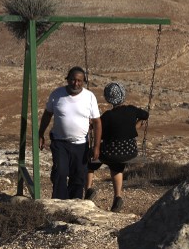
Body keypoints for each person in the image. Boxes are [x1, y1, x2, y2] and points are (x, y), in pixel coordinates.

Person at [39, 66, 101, 200]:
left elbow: (97, 122)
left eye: (79, 81)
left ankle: (74, 204)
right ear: (67, 79)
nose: (76, 83)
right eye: (73, 80)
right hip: (60, 142)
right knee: (60, 172)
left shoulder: (89, 97)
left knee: (78, 176)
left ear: (83, 82)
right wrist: (40, 134)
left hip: (80, 144)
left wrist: (96, 146)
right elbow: (47, 115)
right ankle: (59, 203)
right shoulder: (57, 94)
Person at [87, 81, 148, 212]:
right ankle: (117, 196)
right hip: (130, 151)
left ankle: (88, 189)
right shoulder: (132, 110)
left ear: (108, 98)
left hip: (111, 152)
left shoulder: (107, 116)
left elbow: (98, 130)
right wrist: (134, 126)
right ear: (123, 95)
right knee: (117, 165)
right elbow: (145, 115)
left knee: (90, 161)